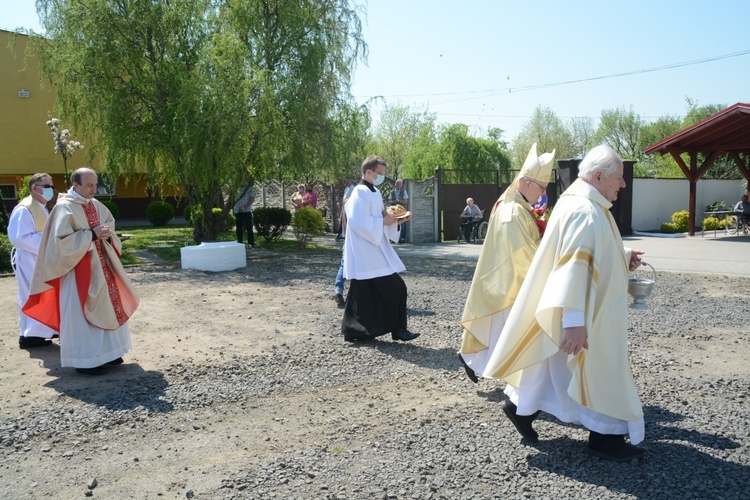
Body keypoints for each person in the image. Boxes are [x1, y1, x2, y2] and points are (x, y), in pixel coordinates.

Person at [483, 144, 646, 462]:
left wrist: (622, 259)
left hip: (580, 309)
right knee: (599, 368)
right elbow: (571, 267)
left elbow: (588, 254)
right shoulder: (584, 210)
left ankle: (520, 407)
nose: (623, 184)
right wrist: (574, 323)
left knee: (553, 364)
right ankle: (606, 438)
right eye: (620, 178)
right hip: (584, 313)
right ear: (598, 176)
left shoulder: (583, 204)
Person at [23, 168, 139, 376]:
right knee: (81, 313)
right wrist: (90, 235)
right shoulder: (64, 208)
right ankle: (87, 360)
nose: (93, 189)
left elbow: (109, 224)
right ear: (75, 185)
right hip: (77, 270)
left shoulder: (95, 204)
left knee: (109, 307)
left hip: (103, 268)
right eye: (89, 185)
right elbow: (60, 244)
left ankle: (110, 353)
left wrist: (106, 234)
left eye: (95, 185)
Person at [458, 143, 555, 381]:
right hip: (508, 284)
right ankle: (520, 385)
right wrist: (551, 269)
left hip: (507, 281)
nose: (542, 194)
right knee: (507, 334)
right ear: (527, 183)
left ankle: (476, 360)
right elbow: (521, 254)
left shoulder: (516, 205)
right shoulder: (512, 211)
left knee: (500, 335)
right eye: (541, 188)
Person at [341, 155, 418, 342]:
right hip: (366, 250)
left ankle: (355, 330)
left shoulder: (374, 191)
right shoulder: (359, 192)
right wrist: (382, 221)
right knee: (396, 287)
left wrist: (398, 220)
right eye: (380, 173)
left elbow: (382, 215)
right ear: (369, 172)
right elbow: (357, 221)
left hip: (374, 247)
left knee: (362, 291)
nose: (382, 176)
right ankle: (397, 329)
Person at [7, 173, 59, 349]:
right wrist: (49, 244)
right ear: (35, 188)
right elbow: (19, 238)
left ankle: (40, 333)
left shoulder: (41, 206)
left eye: (52, 186)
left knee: (43, 294)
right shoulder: (24, 208)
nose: (51, 190)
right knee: (32, 295)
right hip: (29, 258)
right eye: (47, 186)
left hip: (40, 258)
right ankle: (29, 336)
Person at [234, 182, 255, 248]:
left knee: (249, 228)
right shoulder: (236, 188)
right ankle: (240, 242)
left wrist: (244, 207)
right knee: (239, 228)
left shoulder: (249, 188)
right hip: (238, 211)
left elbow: (252, 199)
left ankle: (250, 243)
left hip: (246, 211)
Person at [388, 179, 409, 243]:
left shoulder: (404, 191)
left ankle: (402, 238)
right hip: (394, 211)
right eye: (397, 183)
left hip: (401, 210)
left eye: (400, 183)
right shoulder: (392, 192)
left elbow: (406, 201)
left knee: (402, 224)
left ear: (402, 185)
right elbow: (389, 201)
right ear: (395, 184)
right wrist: (394, 202)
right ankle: (393, 238)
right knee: (394, 224)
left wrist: (399, 201)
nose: (399, 185)